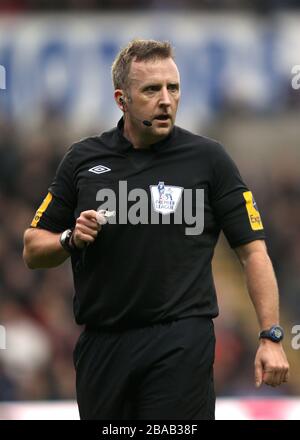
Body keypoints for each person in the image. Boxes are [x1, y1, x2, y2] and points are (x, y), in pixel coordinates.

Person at [23, 39, 289, 420]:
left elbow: (253, 251)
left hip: (180, 341)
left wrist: (270, 335)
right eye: (151, 89)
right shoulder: (84, 160)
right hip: (104, 346)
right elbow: (32, 248)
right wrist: (69, 239)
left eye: (173, 88)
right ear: (122, 99)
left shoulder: (209, 159)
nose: (166, 99)